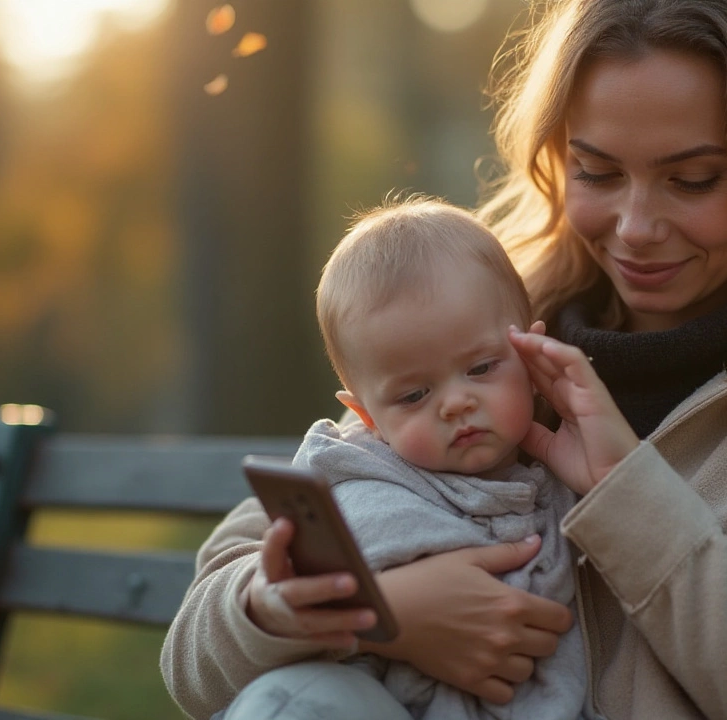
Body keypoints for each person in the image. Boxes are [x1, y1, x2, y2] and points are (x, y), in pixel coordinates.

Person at [162, 1, 727, 718]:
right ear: (556, 161)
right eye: (597, 171)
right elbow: (199, 654)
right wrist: (381, 612)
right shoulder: (479, 343)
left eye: (692, 179)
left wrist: (629, 495)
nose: (635, 226)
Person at [162, 198, 600, 720]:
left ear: (532, 354)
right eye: (414, 396)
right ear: (365, 416)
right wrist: (361, 612)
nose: (455, 402)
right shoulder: (353, 476)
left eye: (481, 368)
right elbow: (190, 653)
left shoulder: (572, 462)